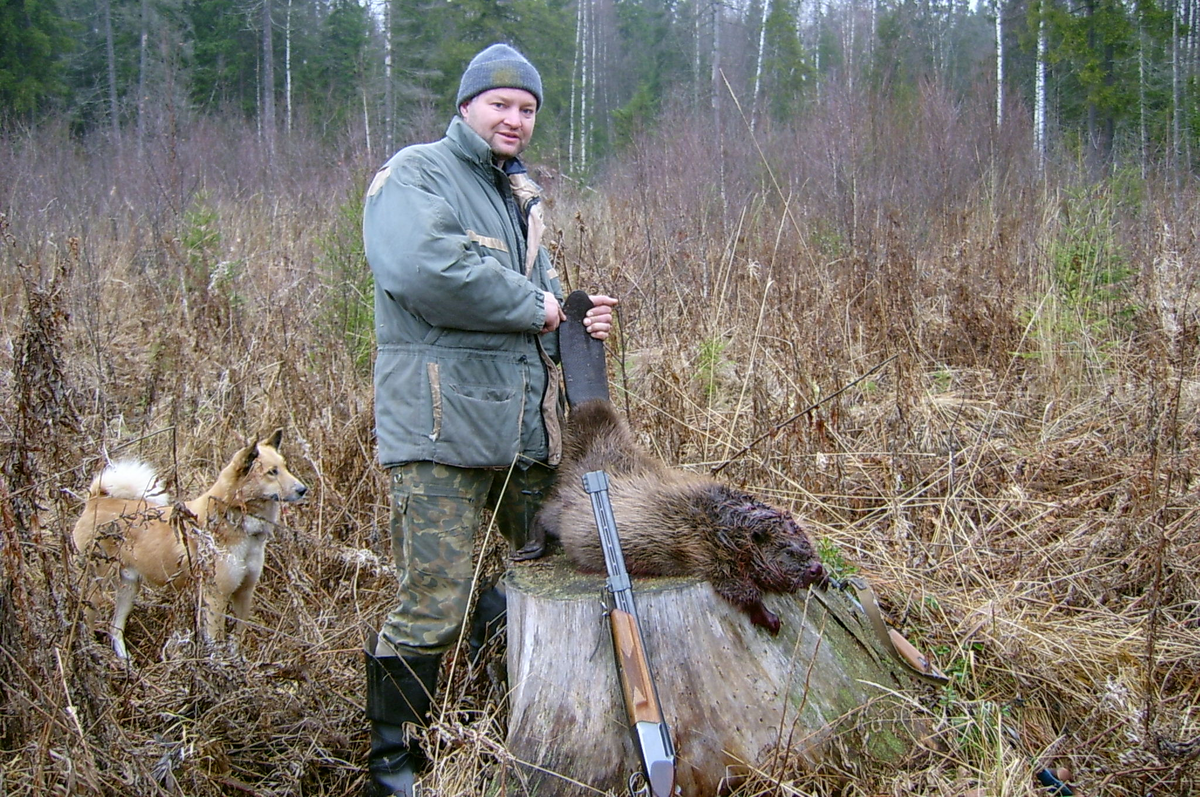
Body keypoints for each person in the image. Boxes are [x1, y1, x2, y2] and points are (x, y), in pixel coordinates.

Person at [360, 42, 617, 796]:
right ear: (467, 105)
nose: (514, 118)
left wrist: (577, 315)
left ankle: (502, 713)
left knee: (547, 577)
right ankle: (393, 762)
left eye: (527, 108)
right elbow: (423, 269)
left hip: (521, 435)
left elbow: (545, 296)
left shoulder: (520, 196)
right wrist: (536, 307)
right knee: (431, 600)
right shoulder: (414, 175)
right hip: (440, 434)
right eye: (500, 103)